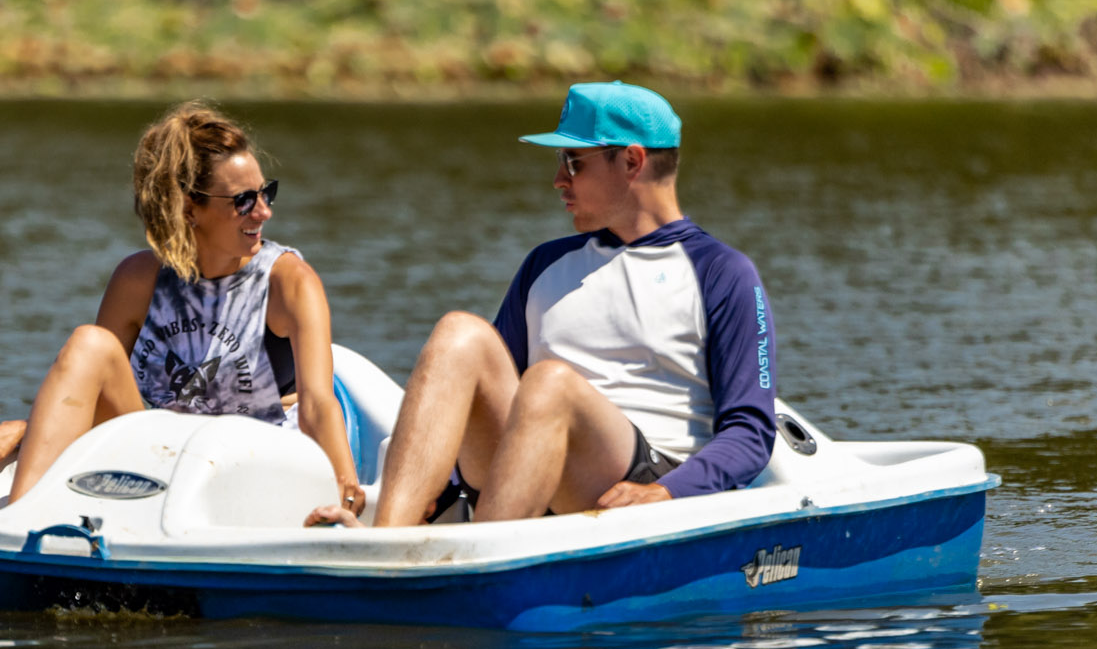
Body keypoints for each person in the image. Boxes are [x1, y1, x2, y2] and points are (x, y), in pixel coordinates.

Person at [309, 81, 776, 528]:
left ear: (632, 161)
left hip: (643, 484)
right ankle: (387, 541)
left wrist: (669, 492)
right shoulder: (544, 264)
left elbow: (750, 433)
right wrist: (445, 484)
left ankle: (482, 558)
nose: (557, 181)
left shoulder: (721, 273)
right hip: (525, 477)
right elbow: (479, 401)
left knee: (550, 384)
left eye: (574, 163)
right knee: (460, 332)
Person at [0, 101, 365, 515]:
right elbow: (93, 392)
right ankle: (19, 523)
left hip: (258, 464)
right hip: (166, 458)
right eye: (243, 201)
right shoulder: (137, 279)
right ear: (188, 207)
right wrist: (32, 430)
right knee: (89, 343)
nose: (264, 211)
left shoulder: (289, 282)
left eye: (265, 193)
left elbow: (317, 404)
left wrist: (346, 490)